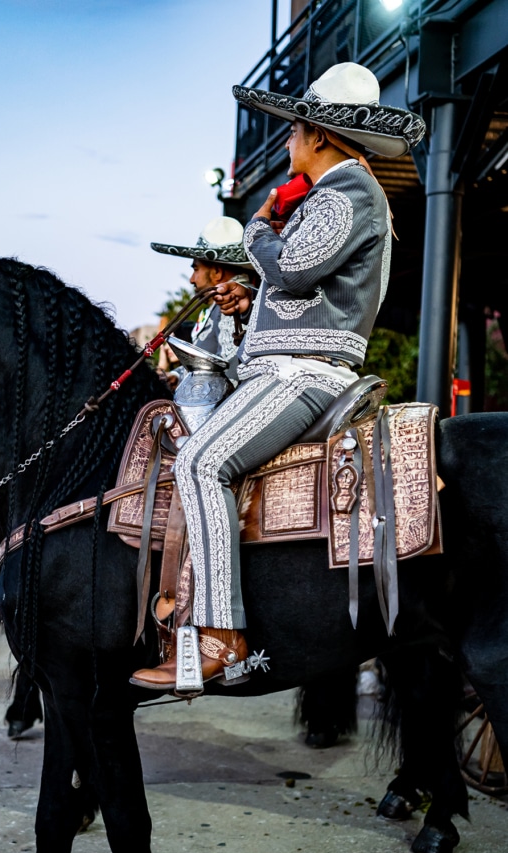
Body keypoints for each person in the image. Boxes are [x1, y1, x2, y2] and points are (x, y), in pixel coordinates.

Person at [131, 61, 426, 690]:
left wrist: (262, 228)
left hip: (306, 376)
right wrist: (248, 298)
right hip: (284, 368)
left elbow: (292, 269)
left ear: (317, 134)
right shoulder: (335, 196)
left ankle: (220, 635)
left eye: (293, 129)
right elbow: (296, 288)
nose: (288, 141)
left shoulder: (346, 190)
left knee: (200, 464)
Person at [151, 216, 258, 384]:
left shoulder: (230, 303)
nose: (192, 279)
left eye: (196, 269)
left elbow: (229, 369)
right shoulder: (218, 305)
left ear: (216, 272)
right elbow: (208, 362)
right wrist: (177, 376)